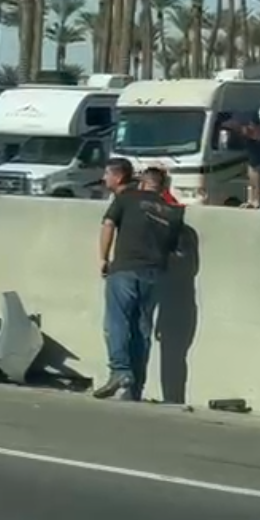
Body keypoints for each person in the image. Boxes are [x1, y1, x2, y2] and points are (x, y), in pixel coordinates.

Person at [93, 158, 184, 402]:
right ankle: (136, 388)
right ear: (163, 187)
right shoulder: (173, 212)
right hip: (154, 274)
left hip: (125, 268)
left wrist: (103, 258)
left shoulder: (127, 198)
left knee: (117, 321)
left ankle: (120, 372)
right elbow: (175, 251)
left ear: (143, 184)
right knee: (142, 329)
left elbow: (108, 224)